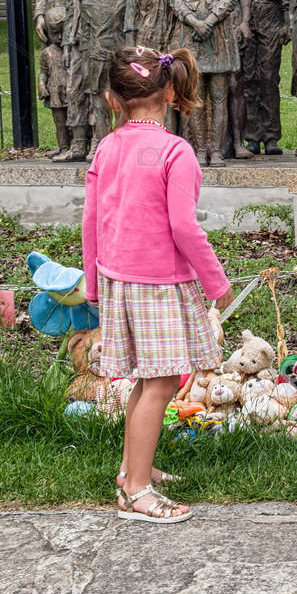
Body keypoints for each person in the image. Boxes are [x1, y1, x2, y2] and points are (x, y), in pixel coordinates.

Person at [83, 45, 232, 524]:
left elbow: (91, 222)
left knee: (148, 379)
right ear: (170, 91)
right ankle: (137, 493)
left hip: (118, 280)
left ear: (112, 100)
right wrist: (216, 281)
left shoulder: (106, 147)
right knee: (164, 380)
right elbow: (184, 228)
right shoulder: (175, 151)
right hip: (158, 284)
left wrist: (93, 285)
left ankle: (133, 469)